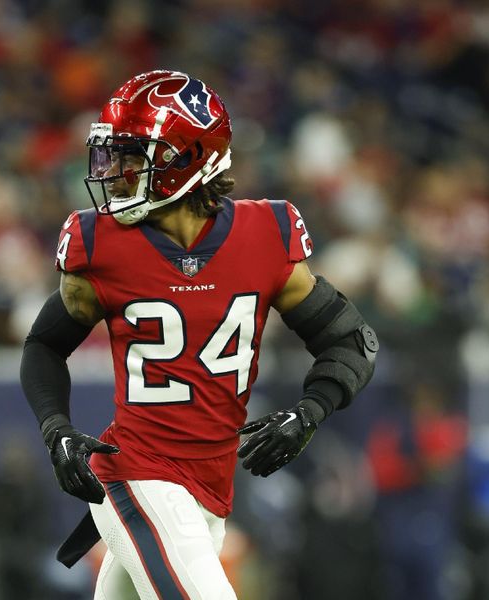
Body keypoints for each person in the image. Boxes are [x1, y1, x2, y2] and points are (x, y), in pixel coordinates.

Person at [20, 70, 378, 599]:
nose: (115, 173)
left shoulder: (265, 235)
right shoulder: (101, 246)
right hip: (135, 476)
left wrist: (309, 413)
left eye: (133, 155)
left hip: (209, 490)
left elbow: (351, 342)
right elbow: (44, 345)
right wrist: (56, 428)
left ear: (184, 157)